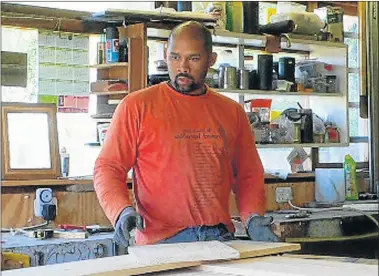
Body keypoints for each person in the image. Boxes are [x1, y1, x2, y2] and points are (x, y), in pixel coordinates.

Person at [94, 21, 279, 247]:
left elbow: (248, 174)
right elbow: (108, 167)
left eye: (193, 58)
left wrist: (253, 218)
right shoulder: (136, 106)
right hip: (161, 243)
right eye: (174, 57)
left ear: (211, 60)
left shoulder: (232, 112)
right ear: (165, 54)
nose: (182, 67)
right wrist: (121, 211)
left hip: (219, 239)